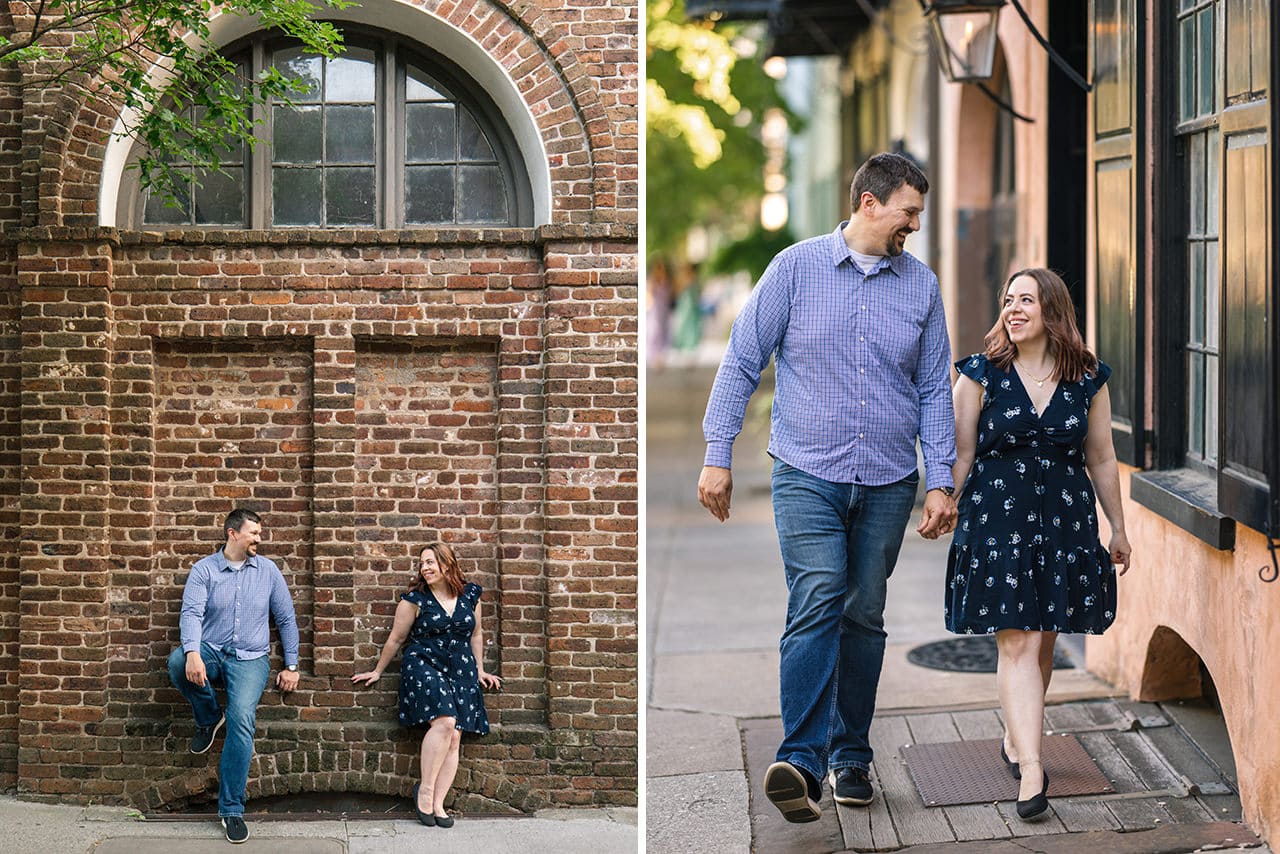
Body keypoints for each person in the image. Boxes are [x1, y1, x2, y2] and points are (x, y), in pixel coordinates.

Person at [699, 152, 958, 823]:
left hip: (888, 481)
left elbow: (934, 389)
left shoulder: (921, 286)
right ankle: (801, 762)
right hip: (807, 473)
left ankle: (850, 756)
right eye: (909, 212)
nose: (915, 225)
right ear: (869, 203)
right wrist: (716, 452)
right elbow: (742, 359)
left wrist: (941, 481)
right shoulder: (795, 269)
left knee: (862, 612)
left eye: (919, 215)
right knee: (817, 598)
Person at [946, 267, 1131, 820]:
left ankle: (1015, 736)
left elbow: (1100, 456)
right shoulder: (980, 374)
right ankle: (1032, 765)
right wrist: (942, 502)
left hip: (1066, 521)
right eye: (1008, 300)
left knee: (1045, 639)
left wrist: (1117, 526)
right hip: (998, 522)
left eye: (1026, 299)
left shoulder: (1087, 376)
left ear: (1053, 310)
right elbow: (960, 454)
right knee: (1020, 642)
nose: (1013, 309)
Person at [166, 508, 300, 845]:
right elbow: (192, 613)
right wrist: (193, 653)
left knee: (241, 718)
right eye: (253, 532)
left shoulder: (268, 571)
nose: (259, 538)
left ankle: (231, 810)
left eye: (259, 533)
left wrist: (292, 665)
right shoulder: (204, 570)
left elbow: (286, 619)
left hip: (250, 659)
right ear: (232, 533)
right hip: (211, 650)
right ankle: (209, 717)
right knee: (177, 661)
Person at [352, 542, 501, 827]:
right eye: (423, 563)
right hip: (424, 663)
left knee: (456, 734)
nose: (425, 568)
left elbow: (477, 635)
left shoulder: (471, 595)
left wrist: (480, 669)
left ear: (448, 564)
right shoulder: (415, 599)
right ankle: (426, 789)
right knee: (445, 722)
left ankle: (438, 804)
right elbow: (396, 638)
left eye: (431, 562)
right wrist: (378, 670)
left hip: (461, 668)